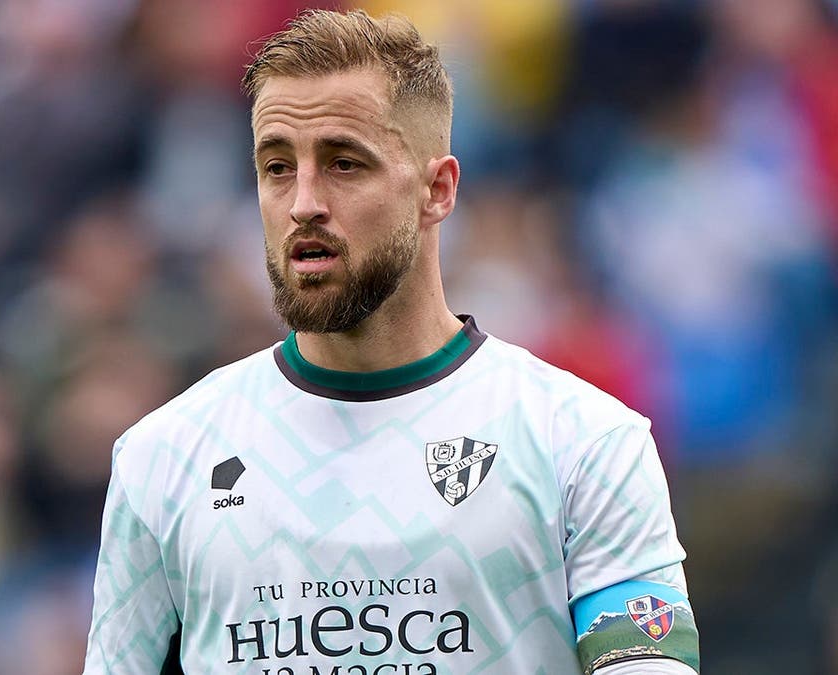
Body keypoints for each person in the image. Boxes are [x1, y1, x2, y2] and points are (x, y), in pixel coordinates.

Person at [83, 9, 699, 674]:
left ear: (437, 190)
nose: (303, 203)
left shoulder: (581, 442)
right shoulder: (164, 455)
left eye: (344, 163)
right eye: (277, 166)